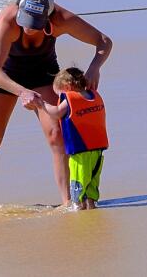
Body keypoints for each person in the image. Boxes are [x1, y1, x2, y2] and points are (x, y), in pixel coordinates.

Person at [0, 0, 112, 209]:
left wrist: (94, 69)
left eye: (35, 23)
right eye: (25, 20)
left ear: (49, 17)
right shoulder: (8, 21)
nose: (28, 28)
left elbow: (104, 41)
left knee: (57, 135)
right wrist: (22, 92)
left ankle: (69, 204)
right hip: (4, 77)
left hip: (42, 74)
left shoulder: (62, 19)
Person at [40, 67, 108, 210]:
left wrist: (41, 104)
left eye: (59, 93)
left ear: (67, 86)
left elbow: (57, 112)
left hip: (80, 151)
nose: (59, 97)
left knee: (79, 180)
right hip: (97, 150)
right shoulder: (93, 96)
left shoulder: (70, 98)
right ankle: (91, 204)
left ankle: (77, 207)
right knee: (92, 179)